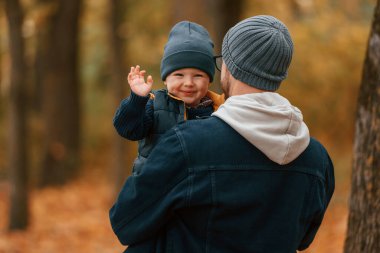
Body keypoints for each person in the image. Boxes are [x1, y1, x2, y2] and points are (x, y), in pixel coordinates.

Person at [109, 15, 335, 253]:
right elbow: (303, 239)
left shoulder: (187, 144)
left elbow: (125, 222)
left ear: (228, 66)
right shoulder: (317, 159)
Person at [113, 21, 223, 174]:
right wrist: (137, 100)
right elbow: (127, 129)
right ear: (165, 79)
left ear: (209, 80)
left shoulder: (219, 111)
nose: (188, 83)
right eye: (179, 75)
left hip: (200, 193)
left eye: (198, 75)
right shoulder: (154, 105)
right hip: (155, 191)